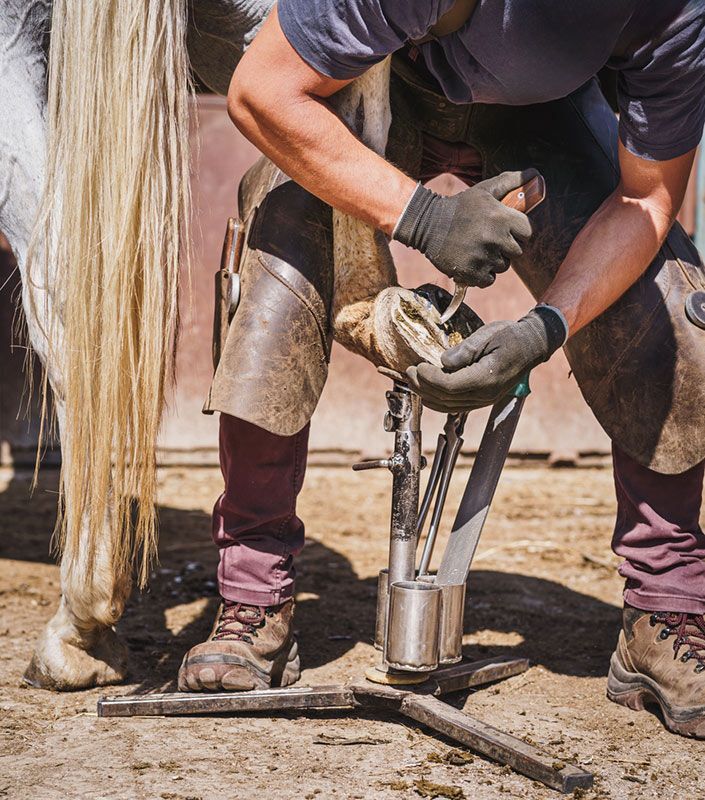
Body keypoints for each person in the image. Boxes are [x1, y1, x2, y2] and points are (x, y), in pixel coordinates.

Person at [179, 0, 705, 738]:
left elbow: (645, 195)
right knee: (278, 270)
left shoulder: (672, 14)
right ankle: (253, 596)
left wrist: (544, 327)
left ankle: (666, 606)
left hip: (540, 116)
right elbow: (260, 92)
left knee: (671, 302)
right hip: (370, 88)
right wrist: (424, 217)